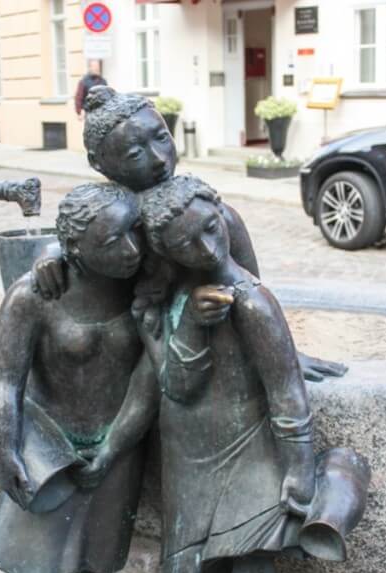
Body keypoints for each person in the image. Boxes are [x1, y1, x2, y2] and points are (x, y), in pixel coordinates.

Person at [97, 175, 317, 573]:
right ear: (168, 253)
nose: (207, 247)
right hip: (189, 445)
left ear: (222, 215)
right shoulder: (175, 301)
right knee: (201, 549)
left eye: (212, 229)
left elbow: (287, 390)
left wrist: (298, 465)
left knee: (249, 552)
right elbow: (175, 384)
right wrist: (189, 324)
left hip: (248, 444)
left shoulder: (254, 302)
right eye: (187, 244)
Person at [33, 85, 345, 381]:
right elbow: (77, 235)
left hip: (191, 347)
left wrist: (280, 350)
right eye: (135, 154)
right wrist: (51, 252)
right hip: (126, 348)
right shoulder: (106, 211)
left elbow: (251, 289)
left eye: (161, 138)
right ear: (98, 163)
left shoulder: (206, 215)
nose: (158, 158)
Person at [0, 183, 149, 573]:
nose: (132, 248)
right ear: (76, 248)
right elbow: (6, 381)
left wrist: (115, 444)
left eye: (135, 232)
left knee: (107, 526)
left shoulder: (144, 288)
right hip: (51, 431)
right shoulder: (33, 295)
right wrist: (7, 448)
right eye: (114, 241)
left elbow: (147, 379)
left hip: (120, 427)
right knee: (46, 525)